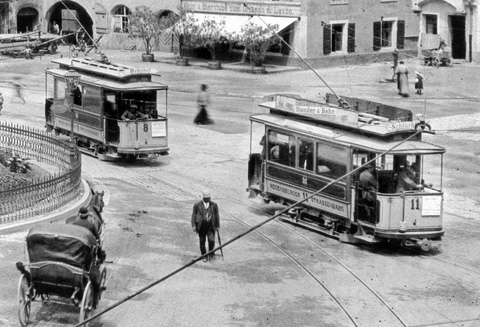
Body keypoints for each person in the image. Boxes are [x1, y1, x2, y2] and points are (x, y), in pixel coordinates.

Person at [191, 190, 220, 262]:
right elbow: (194, 215)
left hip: (211, 227)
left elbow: (217, 216)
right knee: (202, 241)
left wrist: (217, 225)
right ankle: (204, 256)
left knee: (211, 241)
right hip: (201, 227)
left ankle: (211, 255)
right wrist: (193, 225)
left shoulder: (214, 205)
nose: (207, 199)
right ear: (203, 198)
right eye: (206, 198)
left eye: (208, 198)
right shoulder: (197, 205)